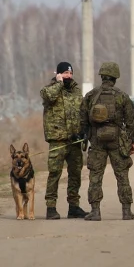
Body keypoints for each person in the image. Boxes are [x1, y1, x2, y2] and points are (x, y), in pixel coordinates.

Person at [81, 60, 134, 221]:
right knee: (122, 176)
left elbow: (83, 120)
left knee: (95, 176)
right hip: (117, 141)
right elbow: (131, 122)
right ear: (115, 77)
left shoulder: (91, 95)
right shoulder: (122, 96)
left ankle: (95, 211)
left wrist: (86, 136)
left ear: (102, 76)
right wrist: (130, 141)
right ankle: (126, 211)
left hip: (97, 140)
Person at [40, 61, 86, 220]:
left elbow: (83, 112)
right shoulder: (49, 90)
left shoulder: (76, 91)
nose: (69, 76)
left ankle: (74, 207)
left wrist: (83, 131)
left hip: (74, 141)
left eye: (70, 73)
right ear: (59, 74)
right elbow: (48, 97)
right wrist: (59, 83)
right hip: (57, 141)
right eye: (66, 73)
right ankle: (51, 208)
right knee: (54, 174)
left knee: (75, 174)